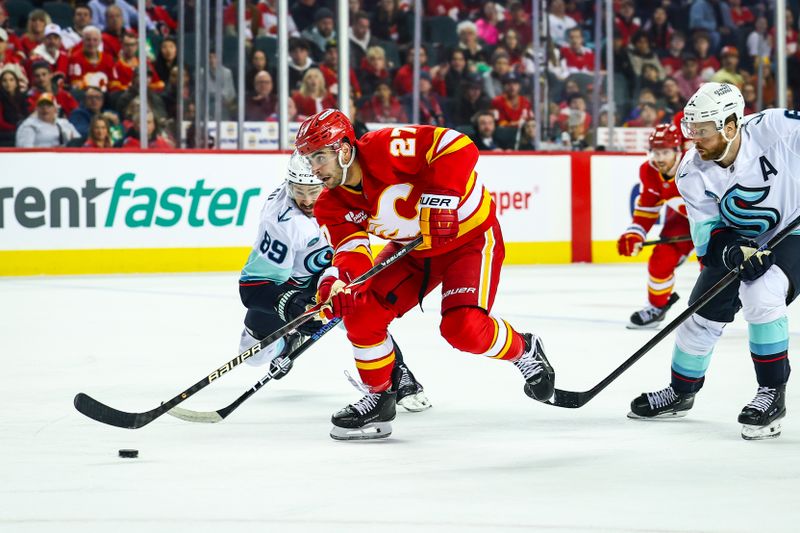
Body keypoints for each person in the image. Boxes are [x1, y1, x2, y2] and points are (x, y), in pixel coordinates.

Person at [294, 109, 555, 440]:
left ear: (344, 149)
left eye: (319, 156)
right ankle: (380, 396)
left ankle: (524, 350)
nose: (314, 169)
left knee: (463, 329)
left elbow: (458, 145)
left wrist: (441, 198)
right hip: (414, 251)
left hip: (469, 239)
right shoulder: (331, 203)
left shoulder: (385, 146)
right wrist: (341, 283)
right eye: (308, 159)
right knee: (361, 312)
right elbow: (352, 252)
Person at [628, 83, 798, 441]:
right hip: (739, 240)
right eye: (692, 130)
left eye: (702, 130)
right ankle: (681, 392)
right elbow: (708, 237)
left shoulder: (777, 128)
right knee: (699, 316)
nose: (694, 139)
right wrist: (734, 251)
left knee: (762, 293)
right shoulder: (691, 172)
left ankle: (772, 393)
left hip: (794, 230)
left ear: (731, 126)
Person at [238, 151, 430, 411]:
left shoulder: (345, 194)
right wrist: (294, 305)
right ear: (288, 184)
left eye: (313, 190)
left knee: (360, 310)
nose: (306, 200)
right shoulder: (280, 220)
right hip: (290, 285)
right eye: (299, 191)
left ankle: (399, 373)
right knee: (253, 356)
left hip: (332, 273)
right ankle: (286, 342)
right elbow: (251, 288)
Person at [617, 124, 693, 328]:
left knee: (714, 267)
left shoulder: (696, 163)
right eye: (655, 151)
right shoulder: (649, 171)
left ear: (678, 151)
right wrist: (635, 233)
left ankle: (715, 311)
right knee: (661, 258)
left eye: (665, 152)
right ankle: (656, 307)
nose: (659, 158)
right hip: (682, 221)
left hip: (716, 221)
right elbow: (647, 208)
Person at [16, 92, 80, 147]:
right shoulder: (29, 125)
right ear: (37, 109)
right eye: (41, 105)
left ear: (55, 109)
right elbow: (25, 150)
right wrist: (54, 150)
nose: (44, 108)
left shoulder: (64, 123)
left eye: (48, 105)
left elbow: (79, 142)